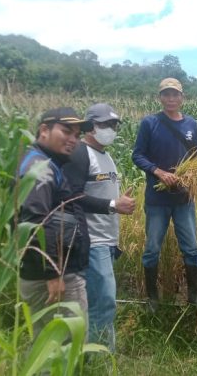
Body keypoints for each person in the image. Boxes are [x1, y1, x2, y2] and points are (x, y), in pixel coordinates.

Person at [131, 78, 197, 314]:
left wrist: (193, 175)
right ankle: (152, 299)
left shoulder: (191, 124)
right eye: (166, 94)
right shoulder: (150, 123)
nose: (171, 99)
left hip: (183, 199)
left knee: (192, 248)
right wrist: (158, 172)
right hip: (157, 201)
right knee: (152, 249)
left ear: (182, 97)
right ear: (160, 97)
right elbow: (137, 155)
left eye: (175, 94)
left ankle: (195, 296)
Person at [62, 103, 136, 353]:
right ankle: (99, 358)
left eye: (114, 124)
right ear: (90, 127)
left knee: (99, 301)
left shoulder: (106, 155)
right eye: (105, 124)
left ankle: (94, 353)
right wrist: (113, 205)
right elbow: (70, 197)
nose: (111, 129)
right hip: (92, 242)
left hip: (107, 241)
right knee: (103, 302)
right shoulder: (80, 154)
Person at [16, 107, 93, 336]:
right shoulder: (39, 168)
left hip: (55, 270)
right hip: (53, 275)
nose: (73, 140)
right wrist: (52, 273)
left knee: (49, 342)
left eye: (76, 135)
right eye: (66, 131)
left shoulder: (47, 164)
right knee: (66, 343)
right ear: (44, 130)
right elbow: (35, 221)